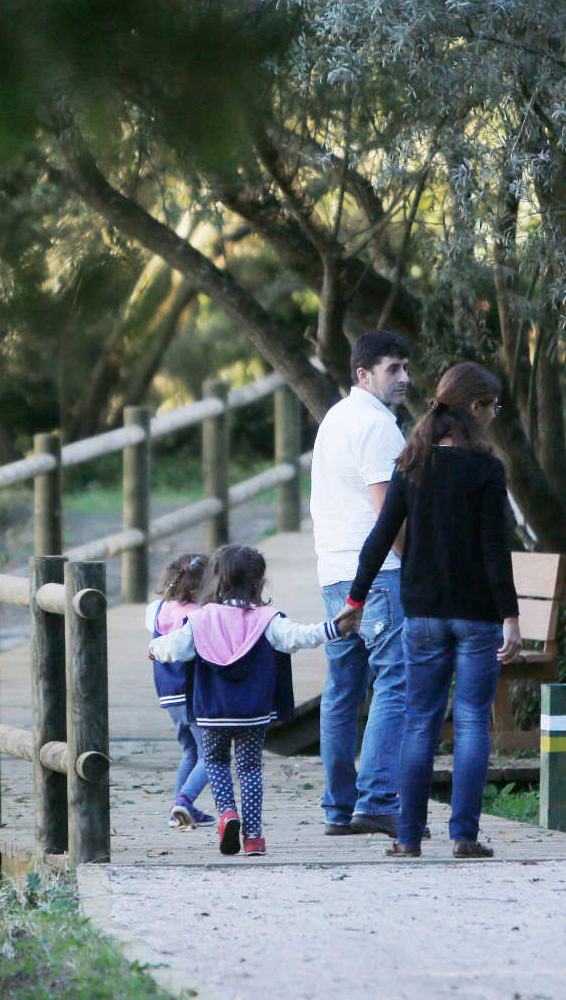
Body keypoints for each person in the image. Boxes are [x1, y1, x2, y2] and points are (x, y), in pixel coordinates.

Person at [347, 361, 521, 860]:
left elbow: (380, 537)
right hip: (477, 616)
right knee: (471, 724)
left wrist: (356, 600)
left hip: (422, 614)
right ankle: (463, 836)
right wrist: (510, 616)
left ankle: (407, 837)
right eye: (491, 406)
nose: (493, 415)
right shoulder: (486, 469)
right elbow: (495, 550)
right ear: (475, 408)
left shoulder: (412, 464)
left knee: (419, 723)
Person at [150, 544, 362, 856]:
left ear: (216, 579)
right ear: (259, 581)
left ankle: (227, 814)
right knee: (250, 769)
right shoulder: (266, 618)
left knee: (216, 762)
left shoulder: (202, 619)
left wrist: (154, 649)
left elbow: (175, 648)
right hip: (253, 711)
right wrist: (334, 628)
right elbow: (298, 636)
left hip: (212, 711)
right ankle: (253, 837)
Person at [309, 328, 412, 836]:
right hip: (378, 574)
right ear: (363, 374)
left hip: (334, 572)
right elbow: (386, 512)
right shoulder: (377, 426)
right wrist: (416, 562)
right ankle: (377, 800)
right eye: (393, 369)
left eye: (406, 367)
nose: (404, 378)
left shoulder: (335, 418)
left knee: (343, 689)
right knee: (397, 680)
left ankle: (338, 808)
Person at [146, 553, 215, 830]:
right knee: (211, 755)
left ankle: (178, 811)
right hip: (192, 691)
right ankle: (184, 802)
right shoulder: (198, 615)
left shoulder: (157, 609)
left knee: (190, 751)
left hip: (168, 693)